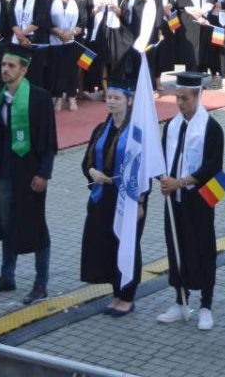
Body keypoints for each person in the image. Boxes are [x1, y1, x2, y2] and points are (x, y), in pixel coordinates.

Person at [0, 45, 58, 305]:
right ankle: (7, 276)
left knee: (36, 227)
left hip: (30, 174)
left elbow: (50, 141)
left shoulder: (40, 98)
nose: (5, 70)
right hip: (4, 172)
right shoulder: (1, 97)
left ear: (24, 69)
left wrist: (44, 174)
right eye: (2, 65)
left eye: (11, 66)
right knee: (7, 223)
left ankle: (40, 283)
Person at [157, 71, 224, 331]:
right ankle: (180, 300)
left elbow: (212, 166)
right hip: (174, 200)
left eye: (185, 98)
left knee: (203, 250)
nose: (180, 103)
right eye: (177, 97)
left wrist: (182, 182)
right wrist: (163, 179)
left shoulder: (211, 128)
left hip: (200, 201)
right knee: (176, 248)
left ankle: (205, 305)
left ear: (198, 96)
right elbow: (162, 157)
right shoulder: (172, 126)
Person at [80, 77, 147, 316]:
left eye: (117, 98)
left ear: (129, 100)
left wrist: (140, 202)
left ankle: (127, 295)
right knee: (108, 244)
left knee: (127, 244)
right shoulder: (101, 130)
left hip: (128, 199)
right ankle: (116, 293)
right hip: (102, 197)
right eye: (109, 97)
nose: (111, 102)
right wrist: (92, 171)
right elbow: (86, 160)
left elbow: (144, 170)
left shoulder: (137, 134)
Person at [48, 0, 86, 112]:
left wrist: (70, 34)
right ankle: (58, 97)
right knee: (56, 70)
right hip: (55, 42)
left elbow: (82, 23)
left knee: (72, 70)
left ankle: (71, 97)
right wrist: (59, 33)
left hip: (72, 42)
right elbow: (47, 21)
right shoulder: (51, 2)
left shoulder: (79, 3)